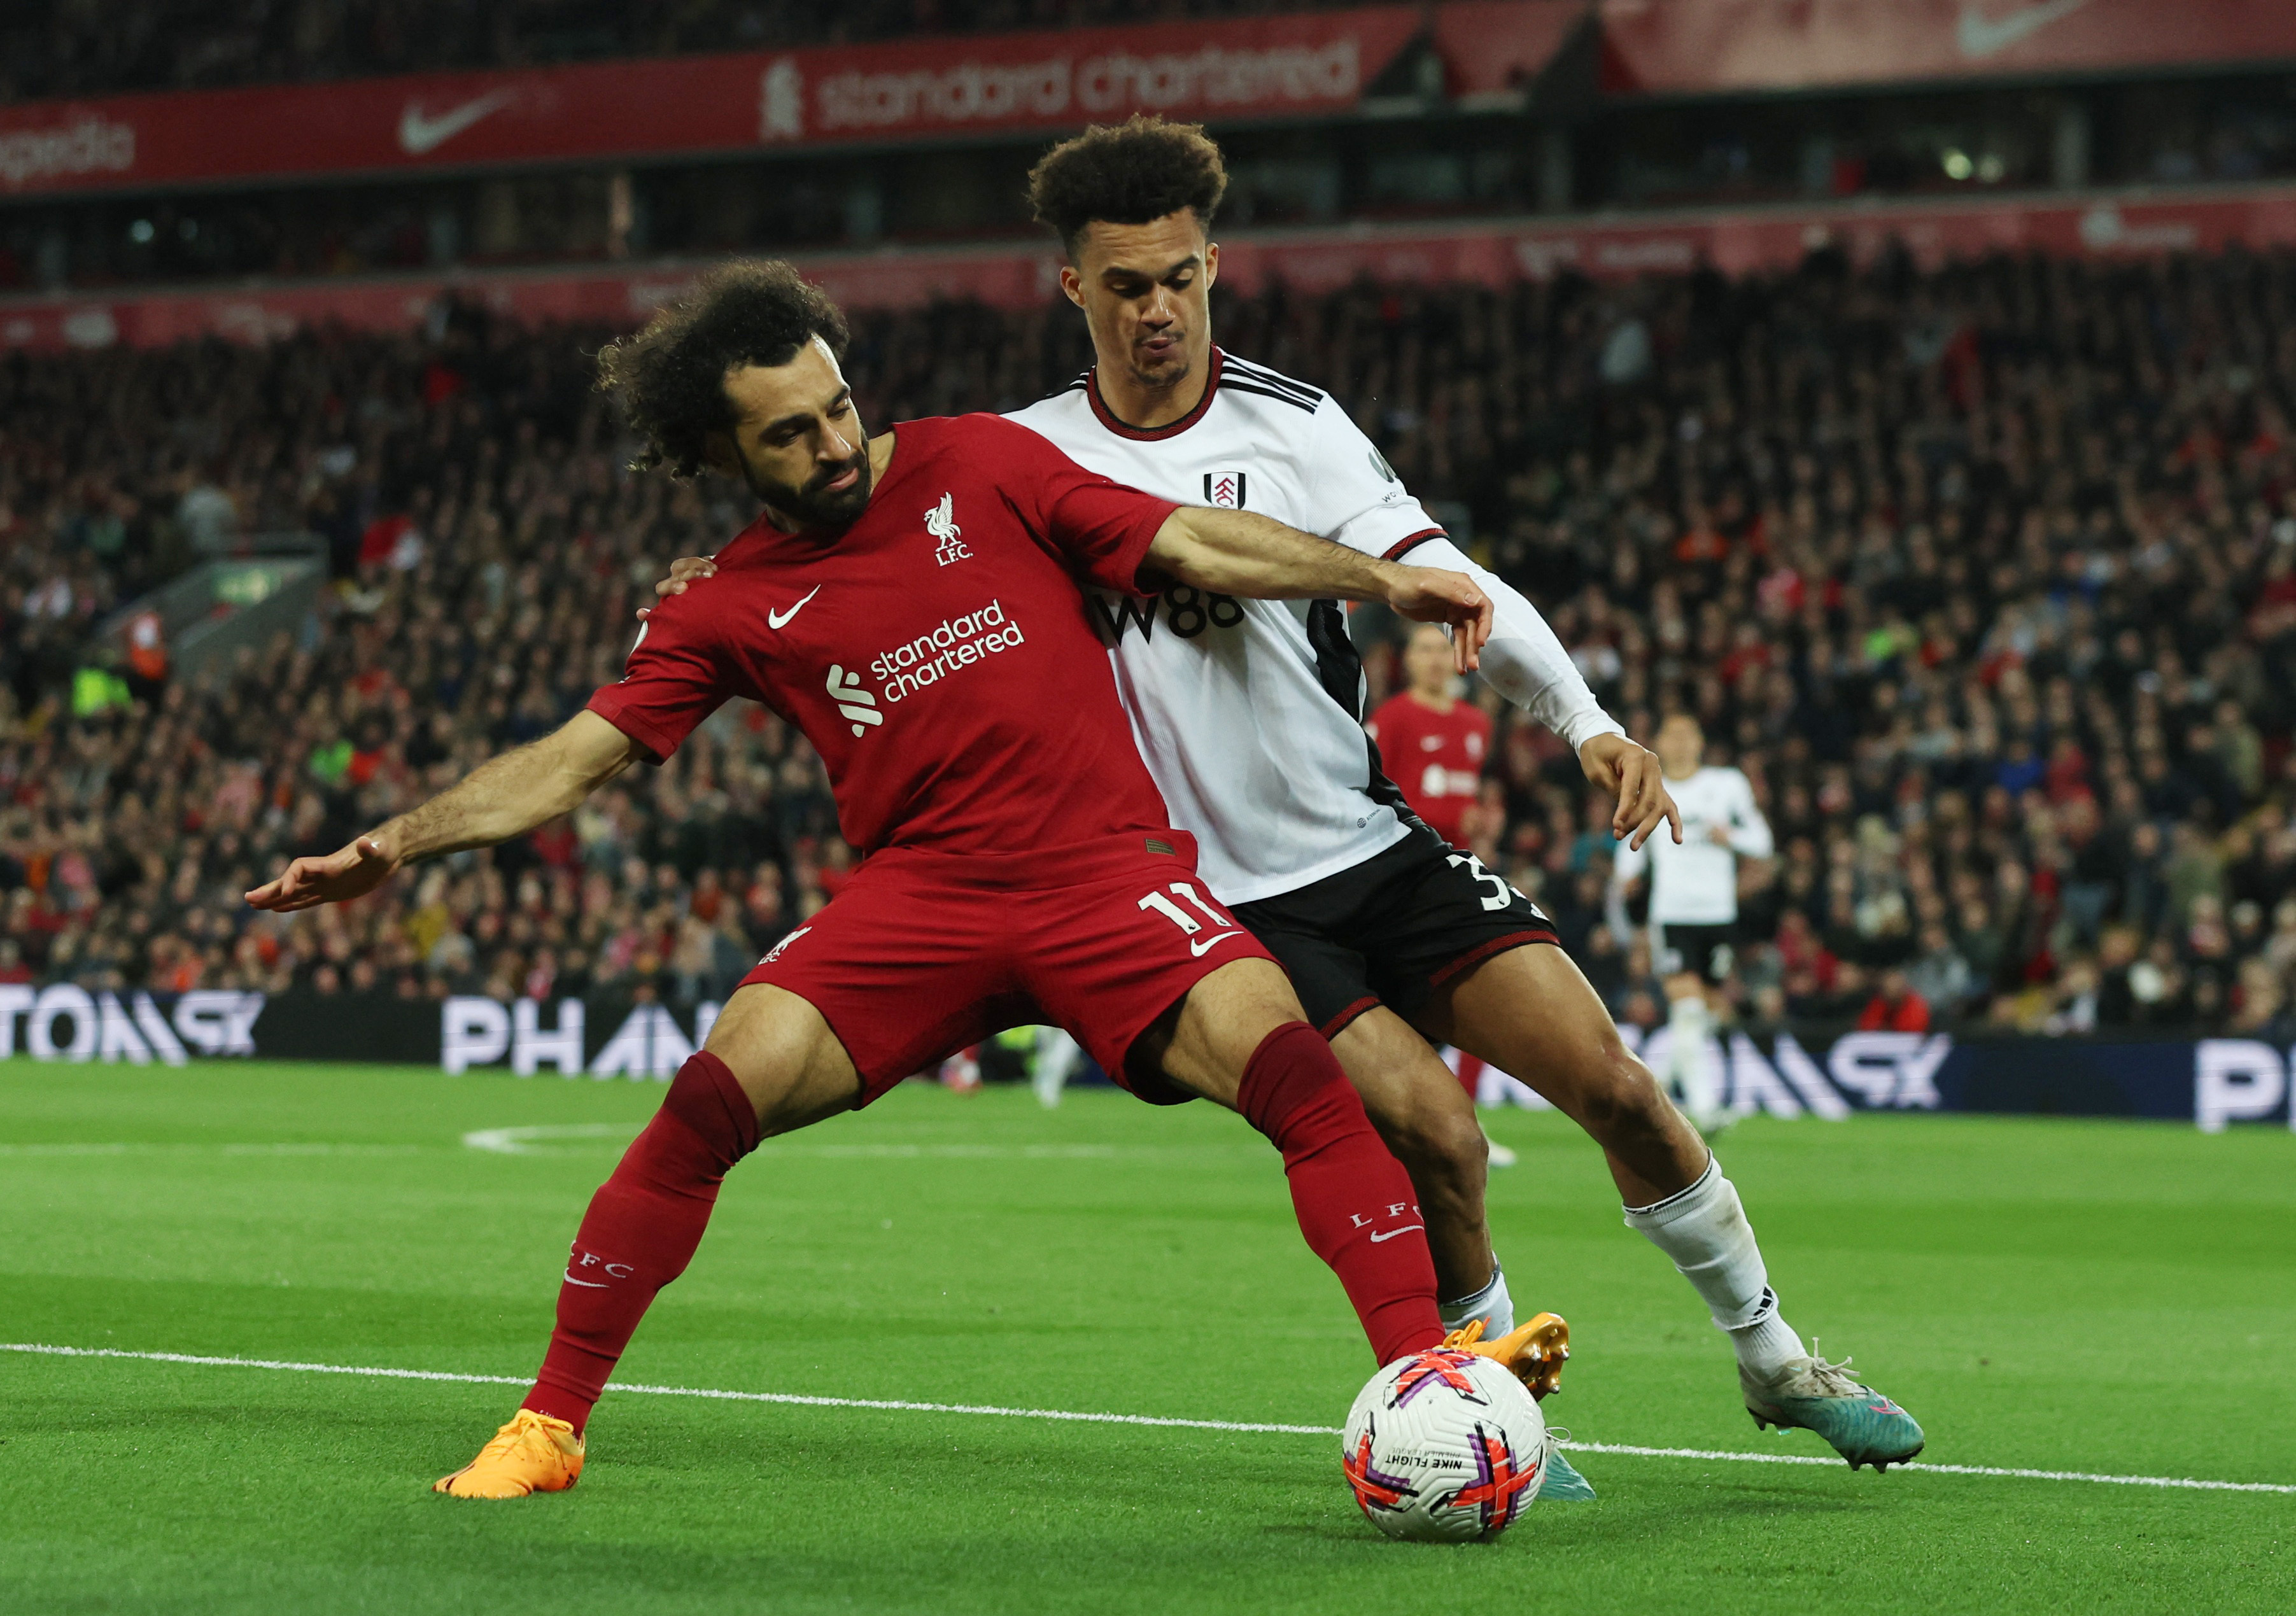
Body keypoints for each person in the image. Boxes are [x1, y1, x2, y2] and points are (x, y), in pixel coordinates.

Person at [654, 119, 1922, 1472]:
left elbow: (1445, 574)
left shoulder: (1295, 422)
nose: (1161, 309)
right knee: (1442, 1136)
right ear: (1072, 288)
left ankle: (1776, 1361)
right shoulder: (1021, 458)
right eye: (1129, 284)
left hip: (1372, 844)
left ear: (1215, 267)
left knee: (1613, 1083)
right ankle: (1500, 1425)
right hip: (1220, 904)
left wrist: (1588, 723)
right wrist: (709, 584)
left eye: (1183, 276)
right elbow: (845, 524)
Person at [246, 260, 1561, 1501]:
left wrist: (1381, 578)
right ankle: (548, 1422)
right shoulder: (720, 606)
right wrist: (398, 844)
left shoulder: (976, 461)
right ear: (719, 456)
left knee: (1299, 1077)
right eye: (787, 436)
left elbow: (1187, 541)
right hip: (922, 901)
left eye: (837, 407)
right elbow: (580, 761)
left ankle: (1423, 1374)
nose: (831, 446)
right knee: (711, 1093)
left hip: (1104, 873)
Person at [1612, 713, 1775, 1135]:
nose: (1681, 742)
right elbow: (1627, 846)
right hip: (1672, 914)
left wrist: (1732, 839)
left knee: (1706, 1013)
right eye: (1673, 734)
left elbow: (1762, 840)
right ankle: (1703, 1111)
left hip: (1718, 915)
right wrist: (1627, 875)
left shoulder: (1726, 785)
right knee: (1686, 1009)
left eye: (1689, 734)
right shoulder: (1649, 787)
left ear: (1701, 742)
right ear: (1659, 742)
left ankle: (1656, 1086)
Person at [1365, 623, 1494, 848]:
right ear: (1409, 658)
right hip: (1407, 850)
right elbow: (1373, 793)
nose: (1435, 661)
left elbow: (1469, 787)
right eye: (1426, 650)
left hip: (1460, 853)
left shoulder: (1477, 722)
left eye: (1443, 650)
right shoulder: (1389, 718)